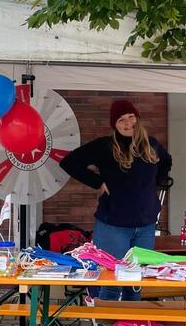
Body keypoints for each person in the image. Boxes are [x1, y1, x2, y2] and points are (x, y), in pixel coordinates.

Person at [59, 99, 172, 301]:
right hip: (113, 226)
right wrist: (98, 182)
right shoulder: (105, 146)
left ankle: (129, 324)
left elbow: (166, 162)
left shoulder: (151, 144)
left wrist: (152, 185)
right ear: (115, 124)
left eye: (131, 117)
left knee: (135, 284)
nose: (128, 123)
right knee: (111, 283)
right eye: (121, 120)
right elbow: (69, 162)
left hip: (145, 226)